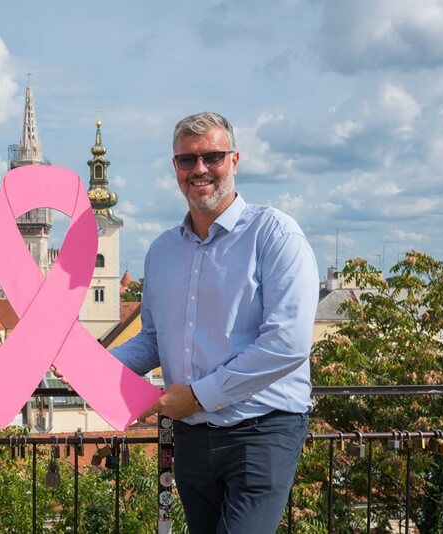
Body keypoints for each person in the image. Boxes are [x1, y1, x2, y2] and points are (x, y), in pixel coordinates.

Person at [111, 112, 319, 533]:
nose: (200, 169)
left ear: (234, 160)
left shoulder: (275, 234)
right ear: (175, 167)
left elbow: (287, 344)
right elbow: (153, 340)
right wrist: (88, 364)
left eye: (213, 157)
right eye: (187, 160)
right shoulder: (162, 251)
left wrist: (198, 396)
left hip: (262, 430)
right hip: (191, 436)